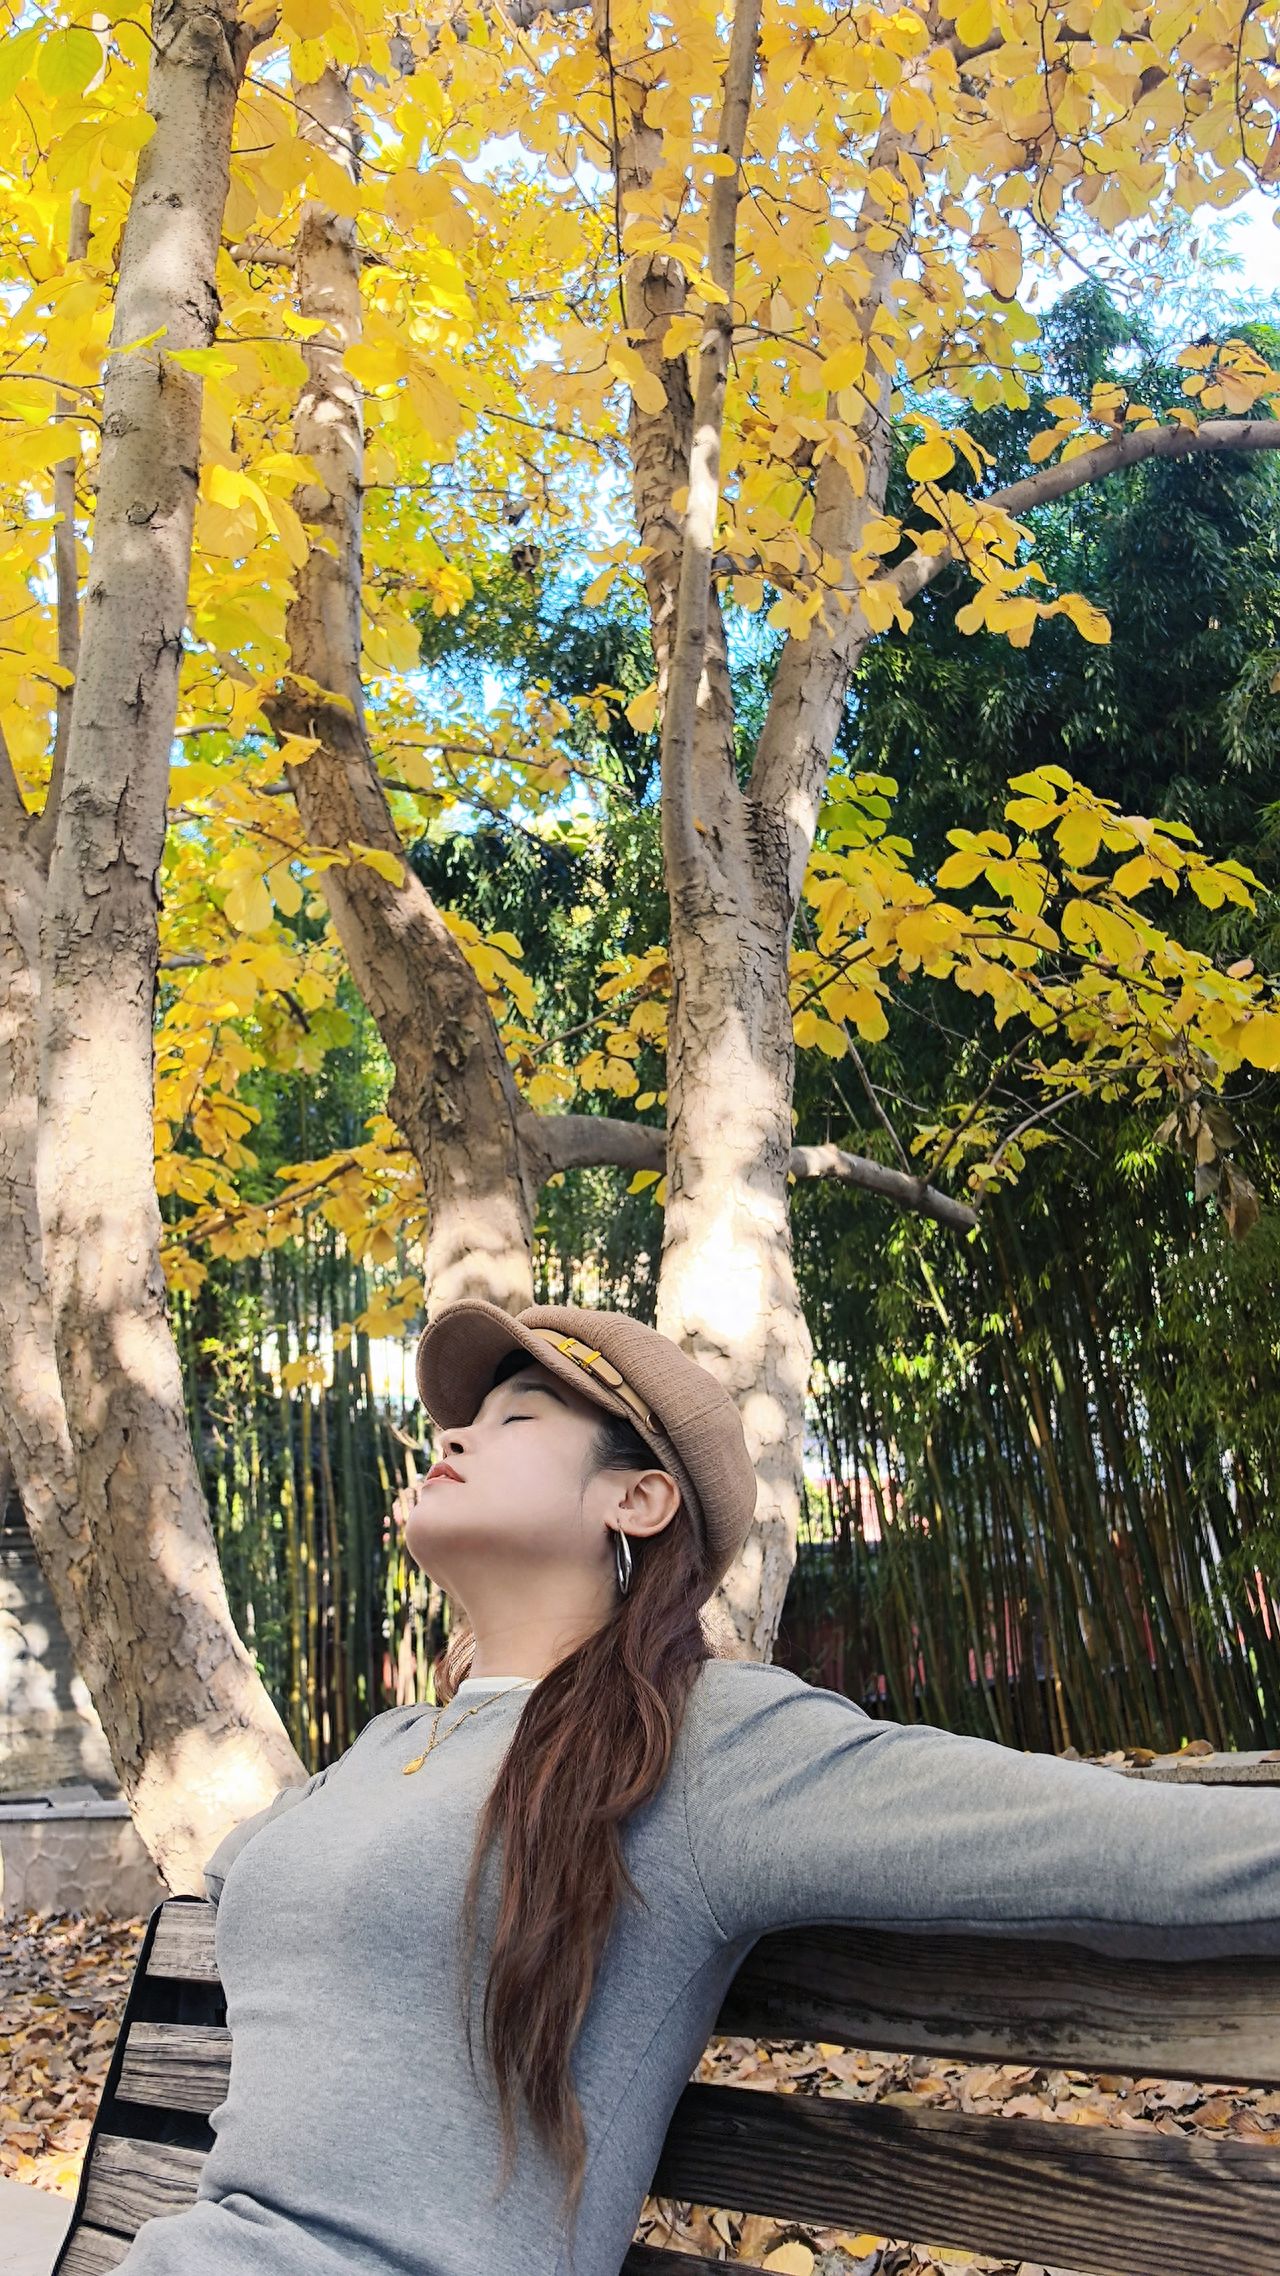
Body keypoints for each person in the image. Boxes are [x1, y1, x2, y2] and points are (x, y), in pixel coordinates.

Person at [119, 1299, 1280, 2276]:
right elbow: (242, 1873)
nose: (456, 1435)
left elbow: (1100, 1842)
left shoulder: (696, 1743)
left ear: (636, 1500)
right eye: (460, 1421)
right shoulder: (392, 1740)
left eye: (516, 1417)